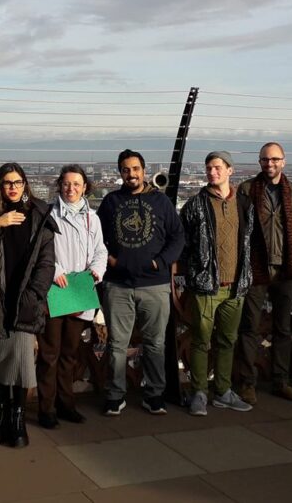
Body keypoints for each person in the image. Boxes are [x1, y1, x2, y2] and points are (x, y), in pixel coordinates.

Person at [0, 163, 57, 448]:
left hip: (24, 301)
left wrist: (33, 296)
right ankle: (4, 416)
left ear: (25, 184)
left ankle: (16, 419)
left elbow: (46, 263)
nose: (13, 187)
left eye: (18, 182)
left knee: (19, 362)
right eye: (7, 182)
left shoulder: (39, 215)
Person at [96, 149, 184, 416]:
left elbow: (177, 237)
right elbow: (96, 236)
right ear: (120, 173)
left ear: (144, 171)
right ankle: (115, 395)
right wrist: (109, 260)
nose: (131, 174)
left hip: (154, 284)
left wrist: (160, 262)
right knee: (116, 344)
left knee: (156, 343)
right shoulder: (111, 201)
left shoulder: (161, 201)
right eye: (125, 169)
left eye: (135, 169)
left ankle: (154, 394)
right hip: (118, 284)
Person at [178, 151, 254, 416]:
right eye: (209, 168)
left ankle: (222, 391)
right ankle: (199, 391)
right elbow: (183, 246)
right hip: (205, 286)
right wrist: (188, 277)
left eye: (218, 167)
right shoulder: (194, 205)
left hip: (236, 286)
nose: (213, 172)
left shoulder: (244, 204)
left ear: (230, 171)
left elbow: (250, 242)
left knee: (227, 340)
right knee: (200, 340)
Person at [236, 142, 292, 404]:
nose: (270, 164)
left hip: (286, 269)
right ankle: (247, 383)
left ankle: (281, 381)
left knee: (283, 327)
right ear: (259, 162)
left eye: (275, 159)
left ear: (283, 161)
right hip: (256, 268)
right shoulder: (246, 190)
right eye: (266, 160)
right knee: (249, 327)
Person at [37, 165, 108, 428]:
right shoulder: (48, 214)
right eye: (66, 184)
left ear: (85, 187)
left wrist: (98, 270)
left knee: (70, 352)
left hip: (80, 290)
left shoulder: (93, 218)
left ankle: (66, 405)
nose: (71, 188)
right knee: (49, 353)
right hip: (55, 291)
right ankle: (46, 408)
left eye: (76, 184)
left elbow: (101, 249)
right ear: (59, 186)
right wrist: (54, 270)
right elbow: (41, 251)